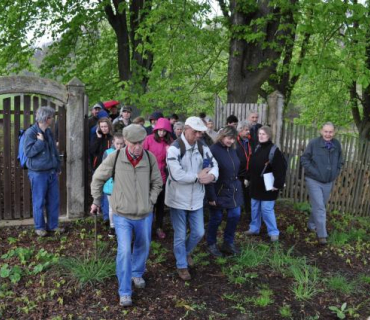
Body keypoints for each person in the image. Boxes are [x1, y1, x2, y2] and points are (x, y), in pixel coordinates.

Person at [90, 124, 163, 307]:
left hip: (144, 214)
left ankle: (137, 273)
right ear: (126, 141)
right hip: (122, 214)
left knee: (143, 245)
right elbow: (98, 178)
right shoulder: (114, 158)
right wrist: (97, 201)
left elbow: (157, 182)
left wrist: (151, 201)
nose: (137, 147)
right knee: (124, 251)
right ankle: (124, 291)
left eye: (140, 142)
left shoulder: (149, 158)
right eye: (133, 143)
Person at [165, 116, 219, 281]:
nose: (198, 135)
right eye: (195, 132)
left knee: (199, 232)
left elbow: (214, 165)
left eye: (200, 133)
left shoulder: (203, 147)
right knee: (180, 235)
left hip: (196, 198)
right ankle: (181, 265)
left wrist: (212, 177)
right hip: (177, 198)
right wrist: (197, 176)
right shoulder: (174, 149)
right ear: (187, 129)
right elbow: (176, 175)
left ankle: (185, 253)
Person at [300, 122, 343, 245]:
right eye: (326, 131)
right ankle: (322, 235)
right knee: (320, 207)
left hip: (328, 181)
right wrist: (314, 172)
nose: (328, 134)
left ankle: (311, 224)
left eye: (330, 132)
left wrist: (336, 171)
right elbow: (304, 159)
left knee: (320, 205)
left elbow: (340, 160)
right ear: (321, 131)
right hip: (313, 180)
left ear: (334, 132)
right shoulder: (314, 143)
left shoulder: (336, 144)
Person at [23, 106, 63, 237]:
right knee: (39, 201)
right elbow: (28, 152)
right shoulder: (30, 133)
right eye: (51, 117)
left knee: (53, 200)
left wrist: (58, 166)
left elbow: (53, 151)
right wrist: (39, 142)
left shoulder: (49, 132)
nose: (52, 119)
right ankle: (39, 227)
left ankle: (53, 226)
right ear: (47, 118)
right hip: (38, 173)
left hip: (51, 172)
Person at [206, 126, 243, 257]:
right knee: (216, 218)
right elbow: (208, 173)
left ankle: (228, 242)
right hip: (218, 189)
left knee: (235, 215)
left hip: (233, 189)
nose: (231, 141)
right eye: (229, 138)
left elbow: (237, 166)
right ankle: (211, 243)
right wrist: (211, 196)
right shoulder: (212, 150)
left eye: (233, 139)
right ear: (222, 136)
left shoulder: (233, 149)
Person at [245, 126, 286, 242]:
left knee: (267, 210)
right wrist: (247, 178)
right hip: (255, 185)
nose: (261, 136)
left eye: (263, 134)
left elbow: (280, 169)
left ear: (269, 135)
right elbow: (251, 165)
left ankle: (273, 232)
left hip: (269, 187)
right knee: (254, 208)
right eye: (259, 134)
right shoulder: (257, 148)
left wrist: (277, 185)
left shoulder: (274, 151)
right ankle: (254, 228)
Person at [143, 118, 173, 239]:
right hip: (148, 176)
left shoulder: (170, 142)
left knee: (160, 204)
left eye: (164, 131)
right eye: (159, 130)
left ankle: (159, 226)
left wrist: (170, 152)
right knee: (149, 202)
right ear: (156, 129)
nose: (161, 133)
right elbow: (143, 155)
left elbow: (174, 158)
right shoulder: (148, 139)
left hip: (163, 176)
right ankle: (147, 227)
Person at [102, 133, 125, 238]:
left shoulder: (126, 153)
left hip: (123, 185)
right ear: (113, 143)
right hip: (111, 185)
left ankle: (121, 227)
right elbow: (104, 169)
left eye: (121, 144)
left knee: (122, 206)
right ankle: (112, 227)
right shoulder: (108, 153)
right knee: (112, 208)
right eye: (117, 144)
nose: (119, 146)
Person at [236, 121, 253, 217]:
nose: (248, 132)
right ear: (240, 130)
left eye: (249, 130)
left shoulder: (251, 141)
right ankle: (239, 213)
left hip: (248, 172)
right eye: (246, 130)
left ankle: (248, 213)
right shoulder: (235, 141)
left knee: (248, 195)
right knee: (239, 194)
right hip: (239, 173)